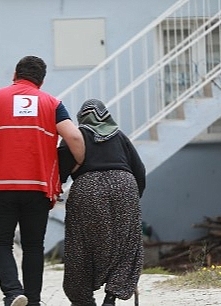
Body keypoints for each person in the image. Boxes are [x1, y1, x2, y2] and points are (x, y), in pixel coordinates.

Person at [0, 55, 85, 306]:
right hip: (37, 188)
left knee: (0, 242)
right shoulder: (52, 103)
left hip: (0, 187)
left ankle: (14, 293)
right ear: (41, 80)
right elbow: (75, 139)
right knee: (34, 246)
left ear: (15, 74)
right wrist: (76, 166)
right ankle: (33, 301)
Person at [58, 99, 146, 306]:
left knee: (81, 244)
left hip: (87, 189)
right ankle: (112, 295)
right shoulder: (119, 135)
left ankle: (82, 299)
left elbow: (60, 171)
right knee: (127, 244)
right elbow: (139, 170)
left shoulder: (75, 137)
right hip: (124, 185)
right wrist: (133, 201)